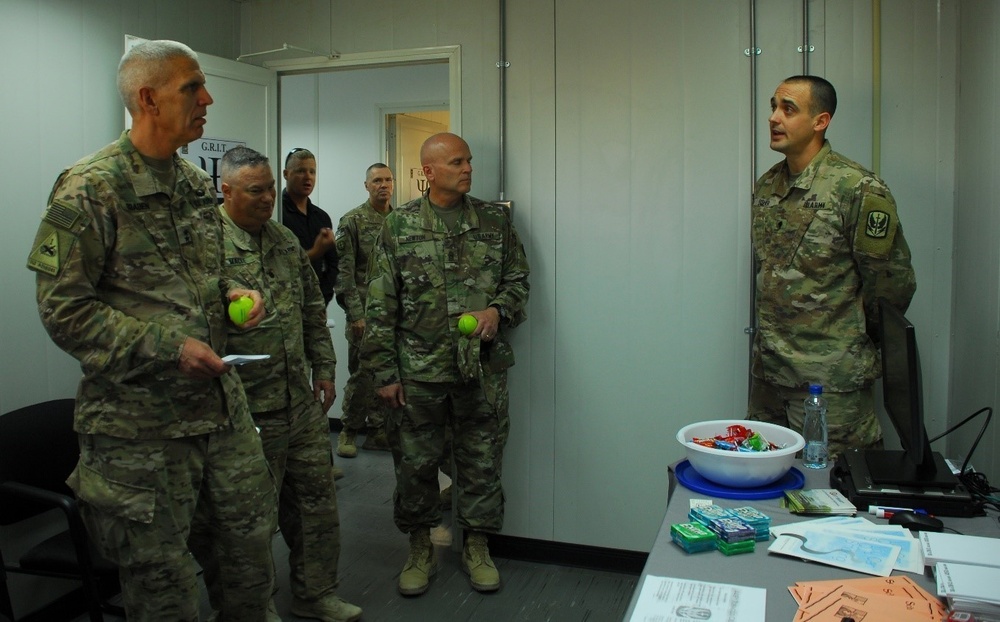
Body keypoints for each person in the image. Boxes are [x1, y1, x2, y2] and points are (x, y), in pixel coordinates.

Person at [26, 40, 277, 621]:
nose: (208, 99)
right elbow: (63, 309)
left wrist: (232, 294)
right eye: (193, 87)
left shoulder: (193, 182)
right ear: (147, 98)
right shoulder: (87, 188)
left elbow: (196, 280)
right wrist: (169, 347)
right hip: (141, 434)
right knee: (163, 594)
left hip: (219, 417)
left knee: (250, 568)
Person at [195, 146, 361, 622]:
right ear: (224, 190)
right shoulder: (203, 245)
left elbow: (313, 308)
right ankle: (253, 607)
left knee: (315, 508)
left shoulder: (285, 240)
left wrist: (325, 369)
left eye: (271, 187)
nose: (269, 197)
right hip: (241, 411)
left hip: (298, 403)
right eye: (256, 190)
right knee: (247, 525)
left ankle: (316, 594)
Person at [363, 132, 530, 596]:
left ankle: (476, 546)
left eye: (469, 161)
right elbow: (380, 305)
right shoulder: (397, 227)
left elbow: (518, 282)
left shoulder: (495, 222)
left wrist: (498, 311)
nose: (469, 168)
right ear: (429, 172)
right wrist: (384, 373)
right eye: (457, 162)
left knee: (481, 461)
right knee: (414, 465)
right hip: (417, 373)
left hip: (480, 368)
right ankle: (419, 547)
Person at [748, 75, 916, 462]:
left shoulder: (856, 188)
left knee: (836, 494)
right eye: (773, 106)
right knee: (769, 487)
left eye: (788, 109)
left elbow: (891, 285)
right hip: (771, 375)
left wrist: (850, 342)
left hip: (831, 384)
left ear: (820, 121)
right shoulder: (768, 186)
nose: (774, 117)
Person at [334, 163, 395, 457]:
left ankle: (378, 431)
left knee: (387, 372)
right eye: (377, 181)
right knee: (361, 375)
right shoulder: (352, 221)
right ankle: (348, 431)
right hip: (363, 310)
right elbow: (344, 274)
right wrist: (355, 315)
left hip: (391, 313)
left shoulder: (399, 220)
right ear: (367, 185)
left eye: (388, 180)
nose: (384, 185)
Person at [282, 148, 338, 307]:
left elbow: (333, 263)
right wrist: (314, 252)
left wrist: (323, 297)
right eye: (301, 171)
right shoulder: (276, 214)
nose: (308, 177)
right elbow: (279, 264)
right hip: (285, 305)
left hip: (316, 305)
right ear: (286, 174)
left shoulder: (321, 217)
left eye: (312, 172)